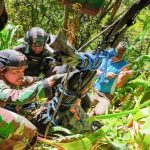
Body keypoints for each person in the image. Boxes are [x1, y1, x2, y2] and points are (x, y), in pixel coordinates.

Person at [0, 49, 62, 149]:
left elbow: (26, 80)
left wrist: (46, 80)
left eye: (23, 71)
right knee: (25, 128)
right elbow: (17, 97)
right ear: (2, 70)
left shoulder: (8, 77)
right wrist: (46, 84)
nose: (21, 75)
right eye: (17, 71)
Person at [90, 42, 132, 115]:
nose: (113, 58)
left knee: (99, 113)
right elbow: (94, 70)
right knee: (84, 104)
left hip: (106, 96)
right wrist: (104, 75)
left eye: (117, 56)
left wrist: (124, 76)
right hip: (95, 90)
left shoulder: (125, 65)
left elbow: (119, 85)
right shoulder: (105, 57)